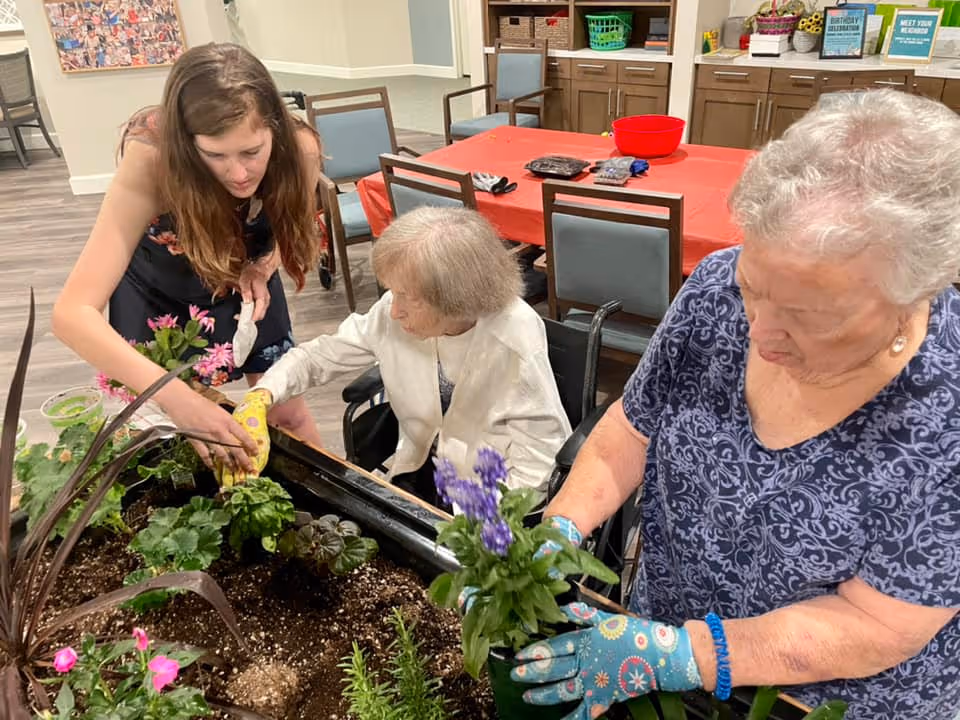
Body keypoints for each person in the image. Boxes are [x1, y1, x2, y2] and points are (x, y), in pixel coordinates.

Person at [510, 89, 960, 719]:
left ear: (916, 293)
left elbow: (877, 623)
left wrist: (685, 654)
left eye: (808, 316)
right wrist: (560, 527)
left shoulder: (946, 409)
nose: (760, 332)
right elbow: (631, 431)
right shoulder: (717, 289)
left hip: (815, 698)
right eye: (755, 289)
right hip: (658, 640)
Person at [52, 42, 322, 472]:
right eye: (214, 155)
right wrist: (177, 398)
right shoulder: (151, 159)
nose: (238, 174)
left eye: (252, 152)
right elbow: (71, 313)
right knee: (183, 439)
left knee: (287, 414)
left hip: (243, 280)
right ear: (185, 143)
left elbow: (286, 229)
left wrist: (262, 266)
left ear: (275, 128)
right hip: (159, 292)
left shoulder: (299, 151)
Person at [224, 206, 572, 497]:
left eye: (409, 297)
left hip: (488, 489)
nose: (394, 310)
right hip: (421, 463)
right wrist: (264, 393)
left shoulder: (513, 337)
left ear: (458, 301)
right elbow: (320, 356)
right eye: (394, 292)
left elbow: (538, 463)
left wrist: (482, 529)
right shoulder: (395, 311)